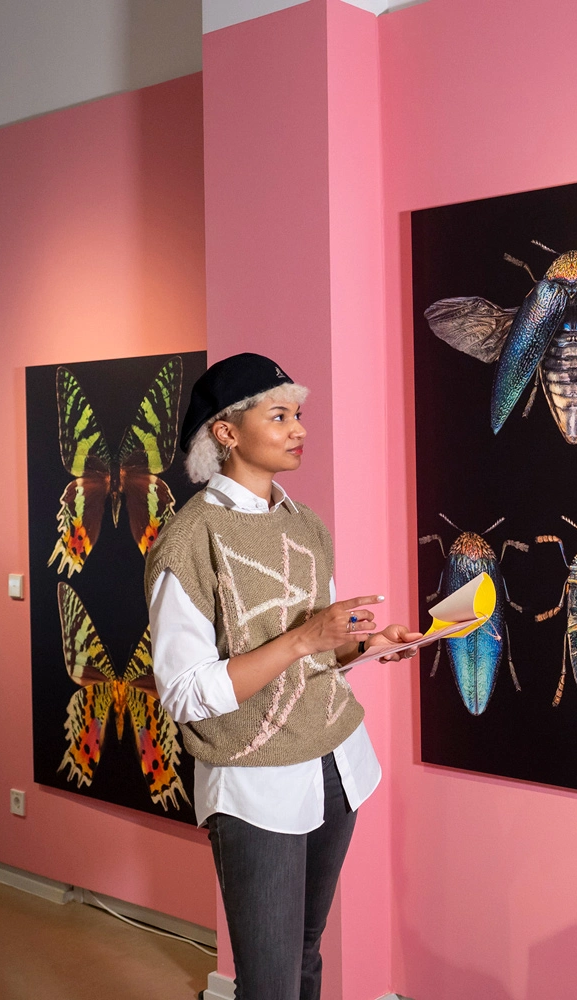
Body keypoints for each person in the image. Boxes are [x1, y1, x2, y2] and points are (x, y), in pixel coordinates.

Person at [145, 353, 417, 1000]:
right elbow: (185, 694)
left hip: (338, 763)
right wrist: (304, 638)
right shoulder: (189, 541)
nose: (298, 429)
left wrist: (367, 646)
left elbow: (317, 650)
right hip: (255, 780)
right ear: (226, 432)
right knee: (269, 983)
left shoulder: (305, 524)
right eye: (278, 416)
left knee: (304, 955)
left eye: (297, 414)